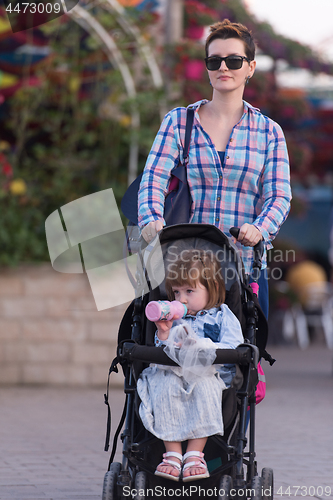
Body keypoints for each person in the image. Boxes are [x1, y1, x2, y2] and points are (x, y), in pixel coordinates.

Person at [137, 19, 292, 319]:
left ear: (250, 67)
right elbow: (153, 179)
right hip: (187, 271)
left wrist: (259, 229)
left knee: (242, 356)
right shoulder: (179, 122)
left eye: (234, 60)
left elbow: (279, 196)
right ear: (207, 67)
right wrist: (152, 219)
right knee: (176, 356)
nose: (224, 68)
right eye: (214, 60)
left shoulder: (269, 132)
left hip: (244, 268)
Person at [137, 250, 244, 482]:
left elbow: (234, 347)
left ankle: (195, 454)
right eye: (176, 292)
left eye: (189, 291)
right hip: (174, 373)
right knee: (163, 385)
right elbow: (161, 352)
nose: (181, 299)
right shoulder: (175, 318)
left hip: (208, 373)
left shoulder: (222, 316)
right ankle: (173, 453)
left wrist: (201, 346)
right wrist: (164, 333)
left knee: (206, 388)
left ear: (212, 287)